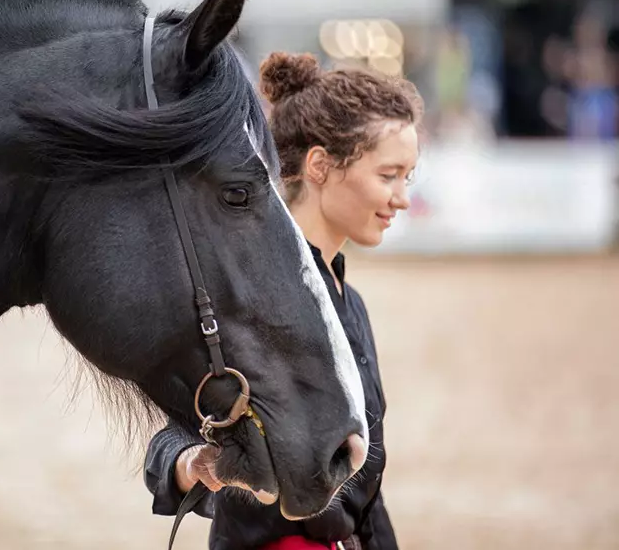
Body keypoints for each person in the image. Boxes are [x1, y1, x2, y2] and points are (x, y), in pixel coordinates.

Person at [143, 52, 422, 550]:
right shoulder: (249, 296)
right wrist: (191, 465)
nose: (402, 197)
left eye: (409, 177)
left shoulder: (349, 300)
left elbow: (366, 498)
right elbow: (175, 436)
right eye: (388, 175)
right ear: (319, 165)